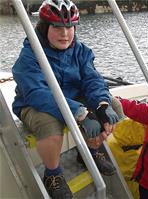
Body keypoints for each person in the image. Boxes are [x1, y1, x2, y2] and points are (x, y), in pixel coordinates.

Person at [12, 0, 119, 198]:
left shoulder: (80, 50)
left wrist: (102, 104)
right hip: (34, 103)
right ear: (44, 28)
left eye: (70, 27)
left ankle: (89, 150)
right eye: (58, 27)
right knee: (50, 126)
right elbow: (37, 93)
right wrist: (79, 112)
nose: (65, 33)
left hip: (71, 98)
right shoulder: (30, 55)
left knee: (113, 108)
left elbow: (92, 80)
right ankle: (52, 175)